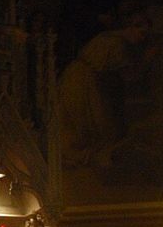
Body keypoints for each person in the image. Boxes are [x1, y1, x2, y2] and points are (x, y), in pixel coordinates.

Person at [58, 11, 152, 168]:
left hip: (79, 79)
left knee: (91, 124)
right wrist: (147, 60)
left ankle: (85, 156)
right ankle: (82, 156)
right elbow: (128, 76)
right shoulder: (117, 43)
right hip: (82, 83)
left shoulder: (109, 38)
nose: (142, 38)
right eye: (142, 33)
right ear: (131, 28)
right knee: (93, 125)